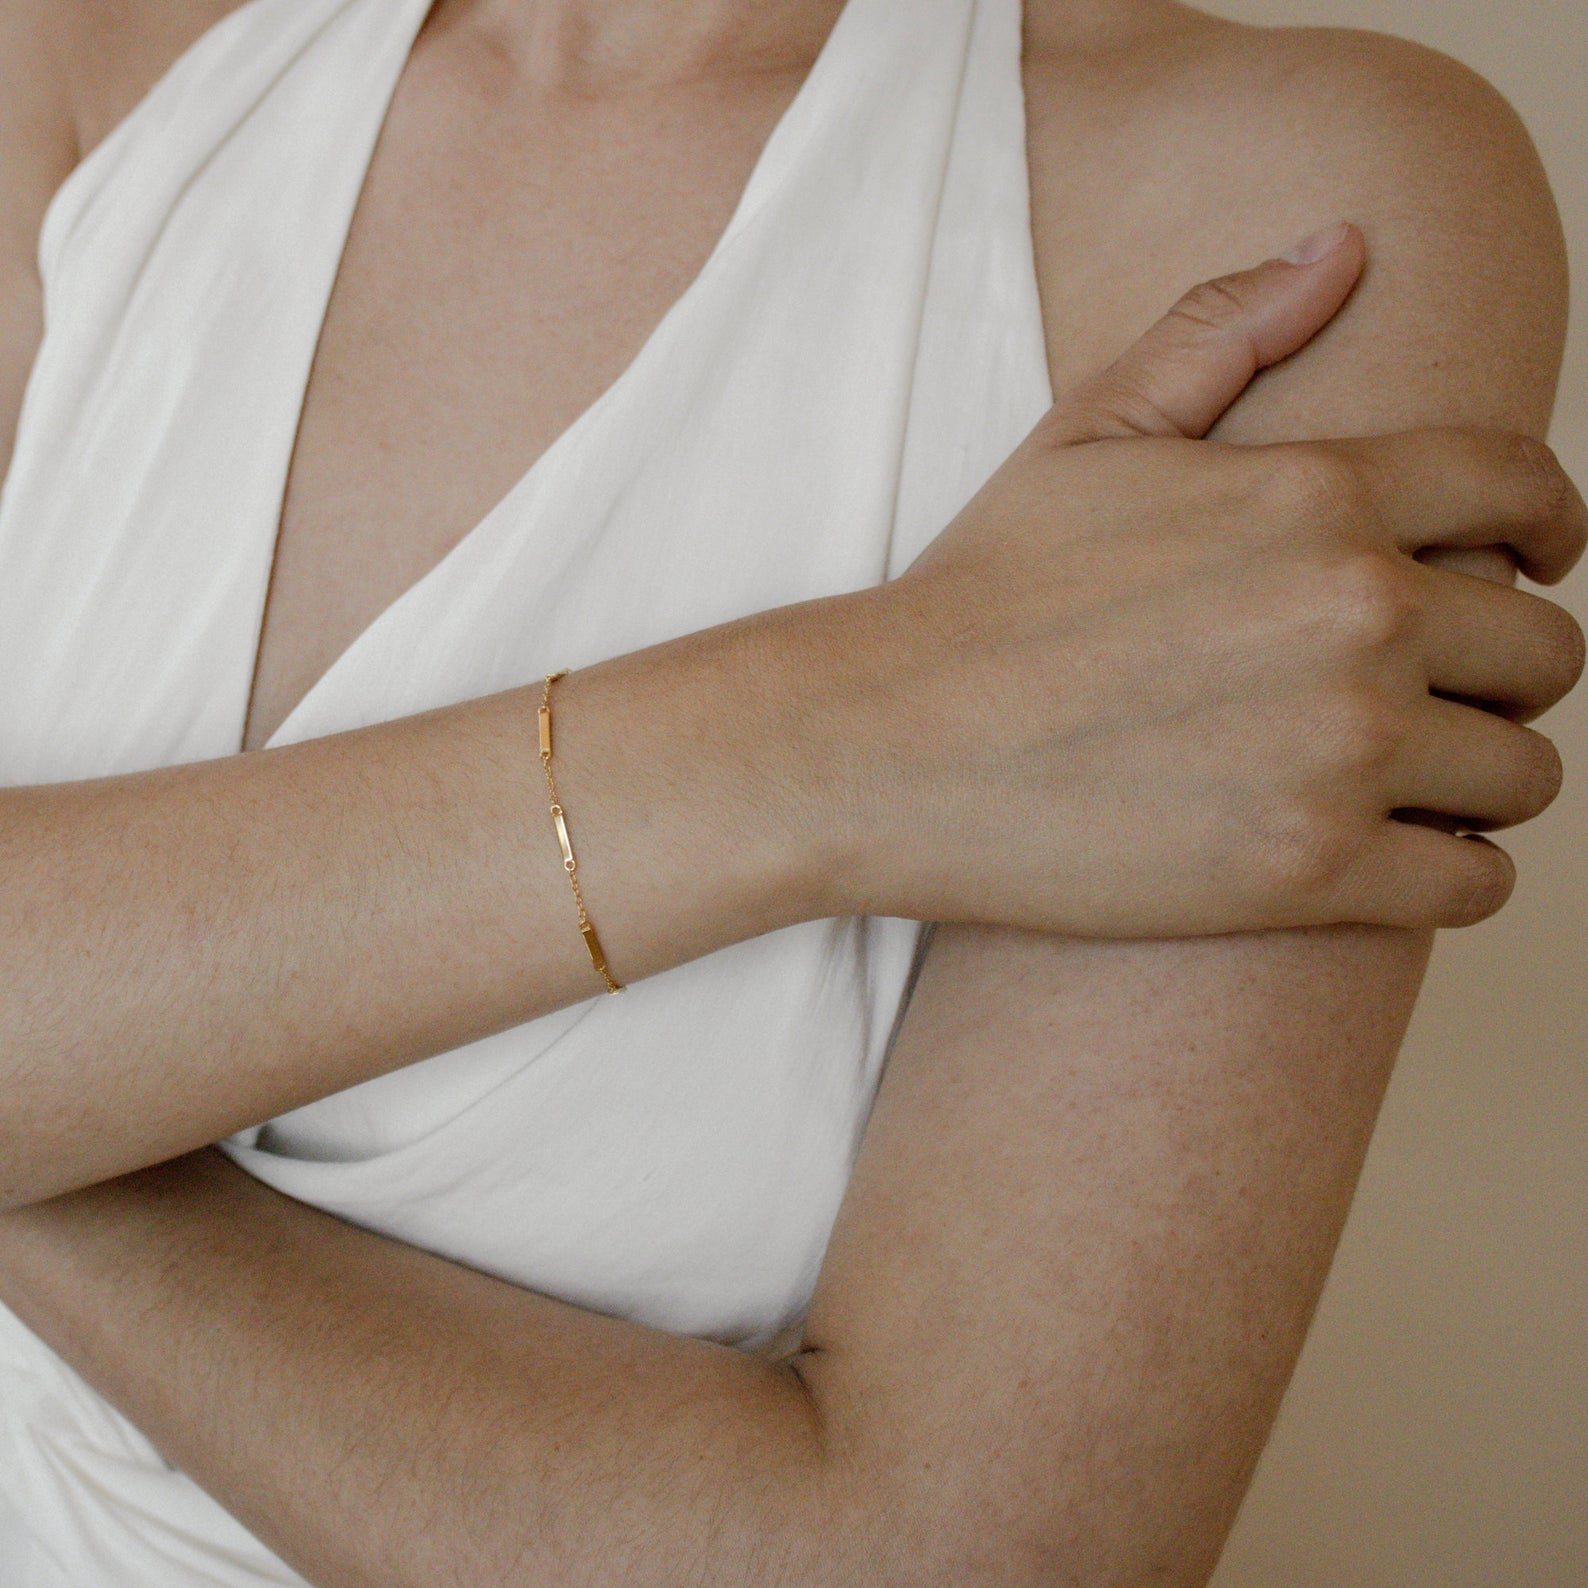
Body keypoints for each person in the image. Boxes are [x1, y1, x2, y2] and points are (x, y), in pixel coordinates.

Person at [0, 0, 1581, 1582]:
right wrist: (837, 736)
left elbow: (943, 1563)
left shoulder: (1292, 194)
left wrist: (74, 1089)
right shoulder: (79, 57)